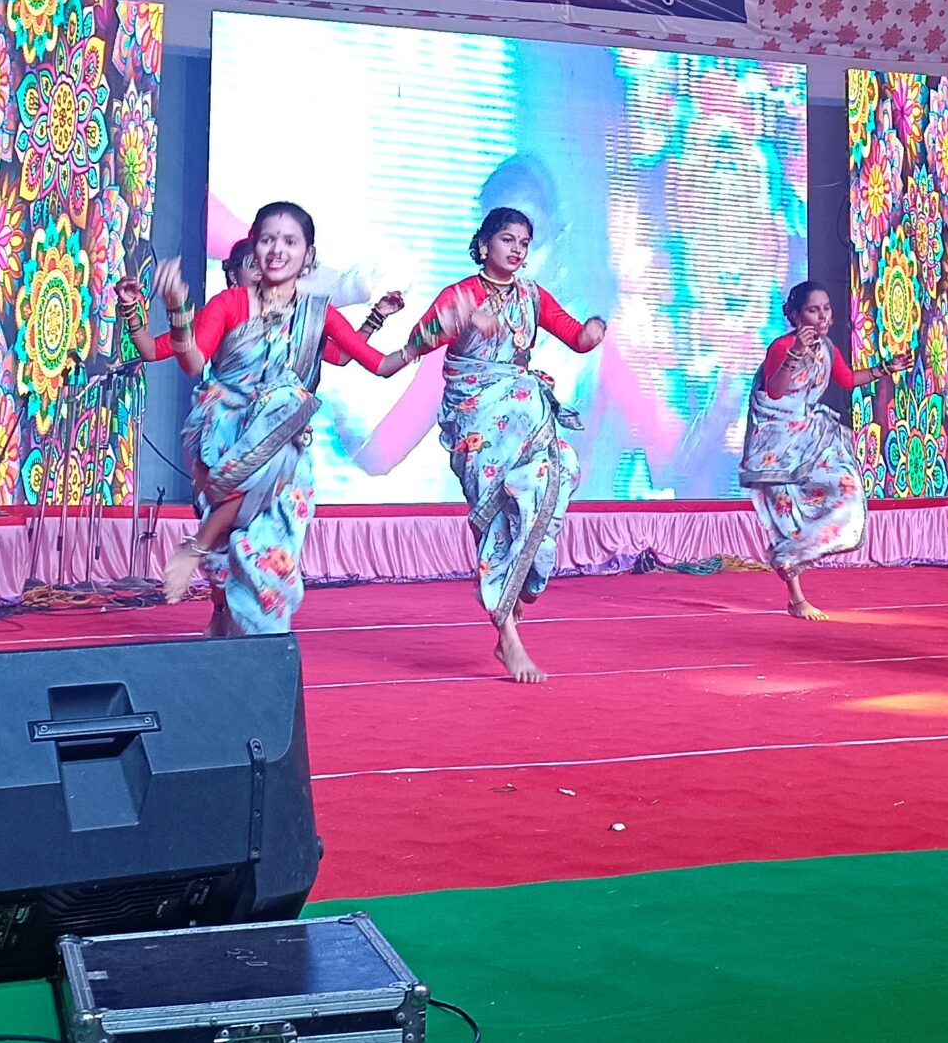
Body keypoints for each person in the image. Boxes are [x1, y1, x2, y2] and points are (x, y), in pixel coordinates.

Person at [146, 202, 482, 636]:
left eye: (290, 241)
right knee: (229, 556)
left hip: (284, 455)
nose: (277, 250)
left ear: (309, 255)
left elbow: (378, 365)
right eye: (267, 239)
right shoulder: (230, 303)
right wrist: (177, 308)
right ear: (254, 245)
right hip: (224, 439)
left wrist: (429, 337)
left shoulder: (318, 313)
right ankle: (201, 552)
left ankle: (242, 648)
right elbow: (193, 363)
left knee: (268, 568)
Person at [404, 206, 608, 683]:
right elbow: (417, 342)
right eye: (507, 240)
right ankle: (507, 634)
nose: (516, 250)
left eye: (523, 243)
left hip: (526, 414)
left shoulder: (532, 296)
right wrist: (461, 322)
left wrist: (594, 329)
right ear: (484, 244)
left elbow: (575, 336)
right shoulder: (459, 295)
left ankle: (514, 607)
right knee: (496, 517)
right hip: (477, 420)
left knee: (556, 475)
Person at [743, 280, 905, 618]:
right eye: (814, 310)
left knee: (847, 484)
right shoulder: (781, 347)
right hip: (774, 441)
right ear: (797, 315)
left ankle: (812, 548)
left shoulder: (828, 347)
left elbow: (845, 379)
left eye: (826, 308)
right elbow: (774, 392)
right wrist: (795, 354)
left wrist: (886, 368)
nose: (822, 316)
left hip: (809, 433)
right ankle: (796, 597)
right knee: (787, 516)